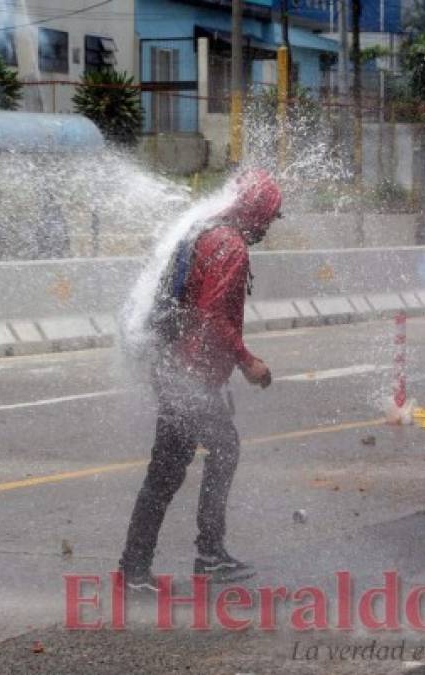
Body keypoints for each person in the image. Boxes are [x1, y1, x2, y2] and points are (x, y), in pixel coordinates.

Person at [119, 169, 283, 591]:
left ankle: (135, 568)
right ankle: (206, 556)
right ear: (255, 210)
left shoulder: (207, 233)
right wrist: (247, 362)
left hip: (176, 369)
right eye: (269, 215)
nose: (268, 225)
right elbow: (210, 315)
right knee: (222, 450)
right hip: (188, 374)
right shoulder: (230, 247)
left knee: (168, 470)